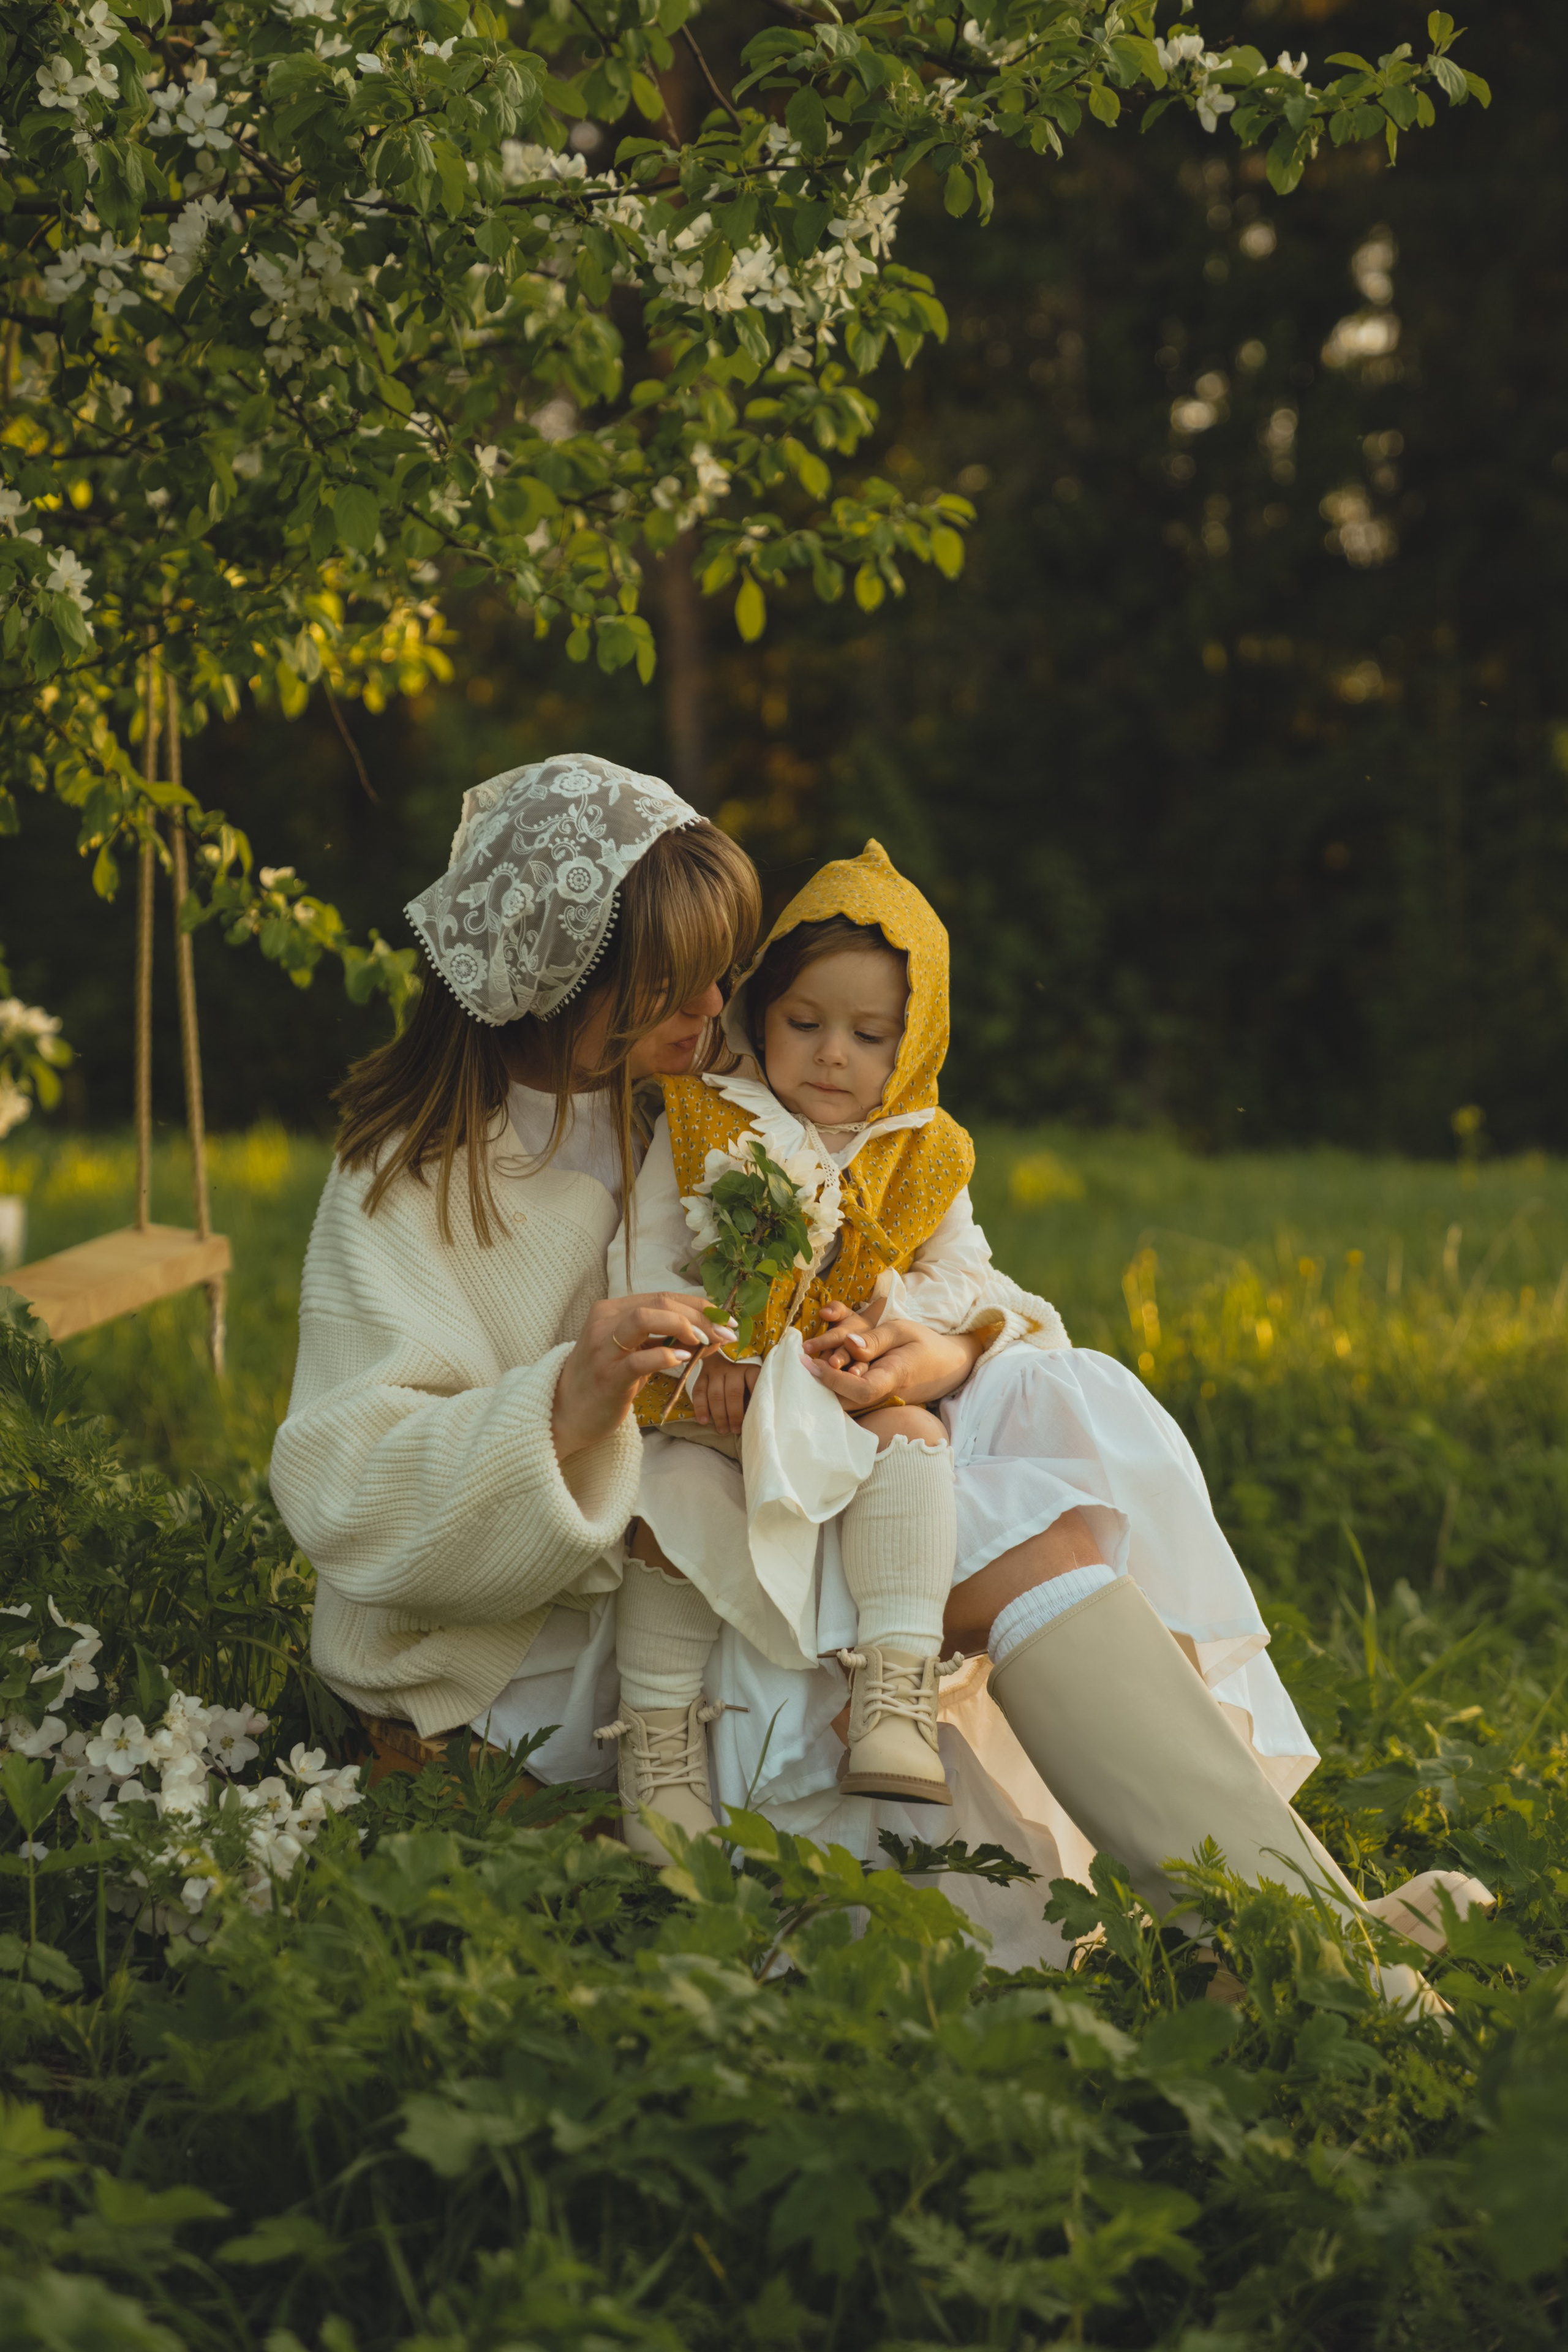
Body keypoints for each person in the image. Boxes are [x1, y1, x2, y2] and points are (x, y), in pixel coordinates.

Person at [271, 753, 1486, 1982]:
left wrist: (934, 1341)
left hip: (742, 1508)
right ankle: (1295, 1947)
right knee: (1018, 1546)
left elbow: (949, 1271)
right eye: (670, 990)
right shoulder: (413, 1175)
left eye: (718, 978)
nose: (713, 1012)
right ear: (553, 981)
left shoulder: (689, 1097)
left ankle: (1292, 1927)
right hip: (567, 1627)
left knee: (1033, 1485)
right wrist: (569, 1402)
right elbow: (344, 1491)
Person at [600, 840, 1068, 1849]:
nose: (832, 1057)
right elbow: (648, 1252)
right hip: (719, 1398)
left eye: (870, 1035)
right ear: (758, 1013)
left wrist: (894, 1321)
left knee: (918, 1444)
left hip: (838, 1390)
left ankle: (893, 1695)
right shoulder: (706, 1119)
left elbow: (969, 1274)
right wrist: (707, 1353)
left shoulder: (923, 1147)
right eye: (804, 1024)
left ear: (917, 1040)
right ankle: (656, 1739)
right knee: (672, 1501)